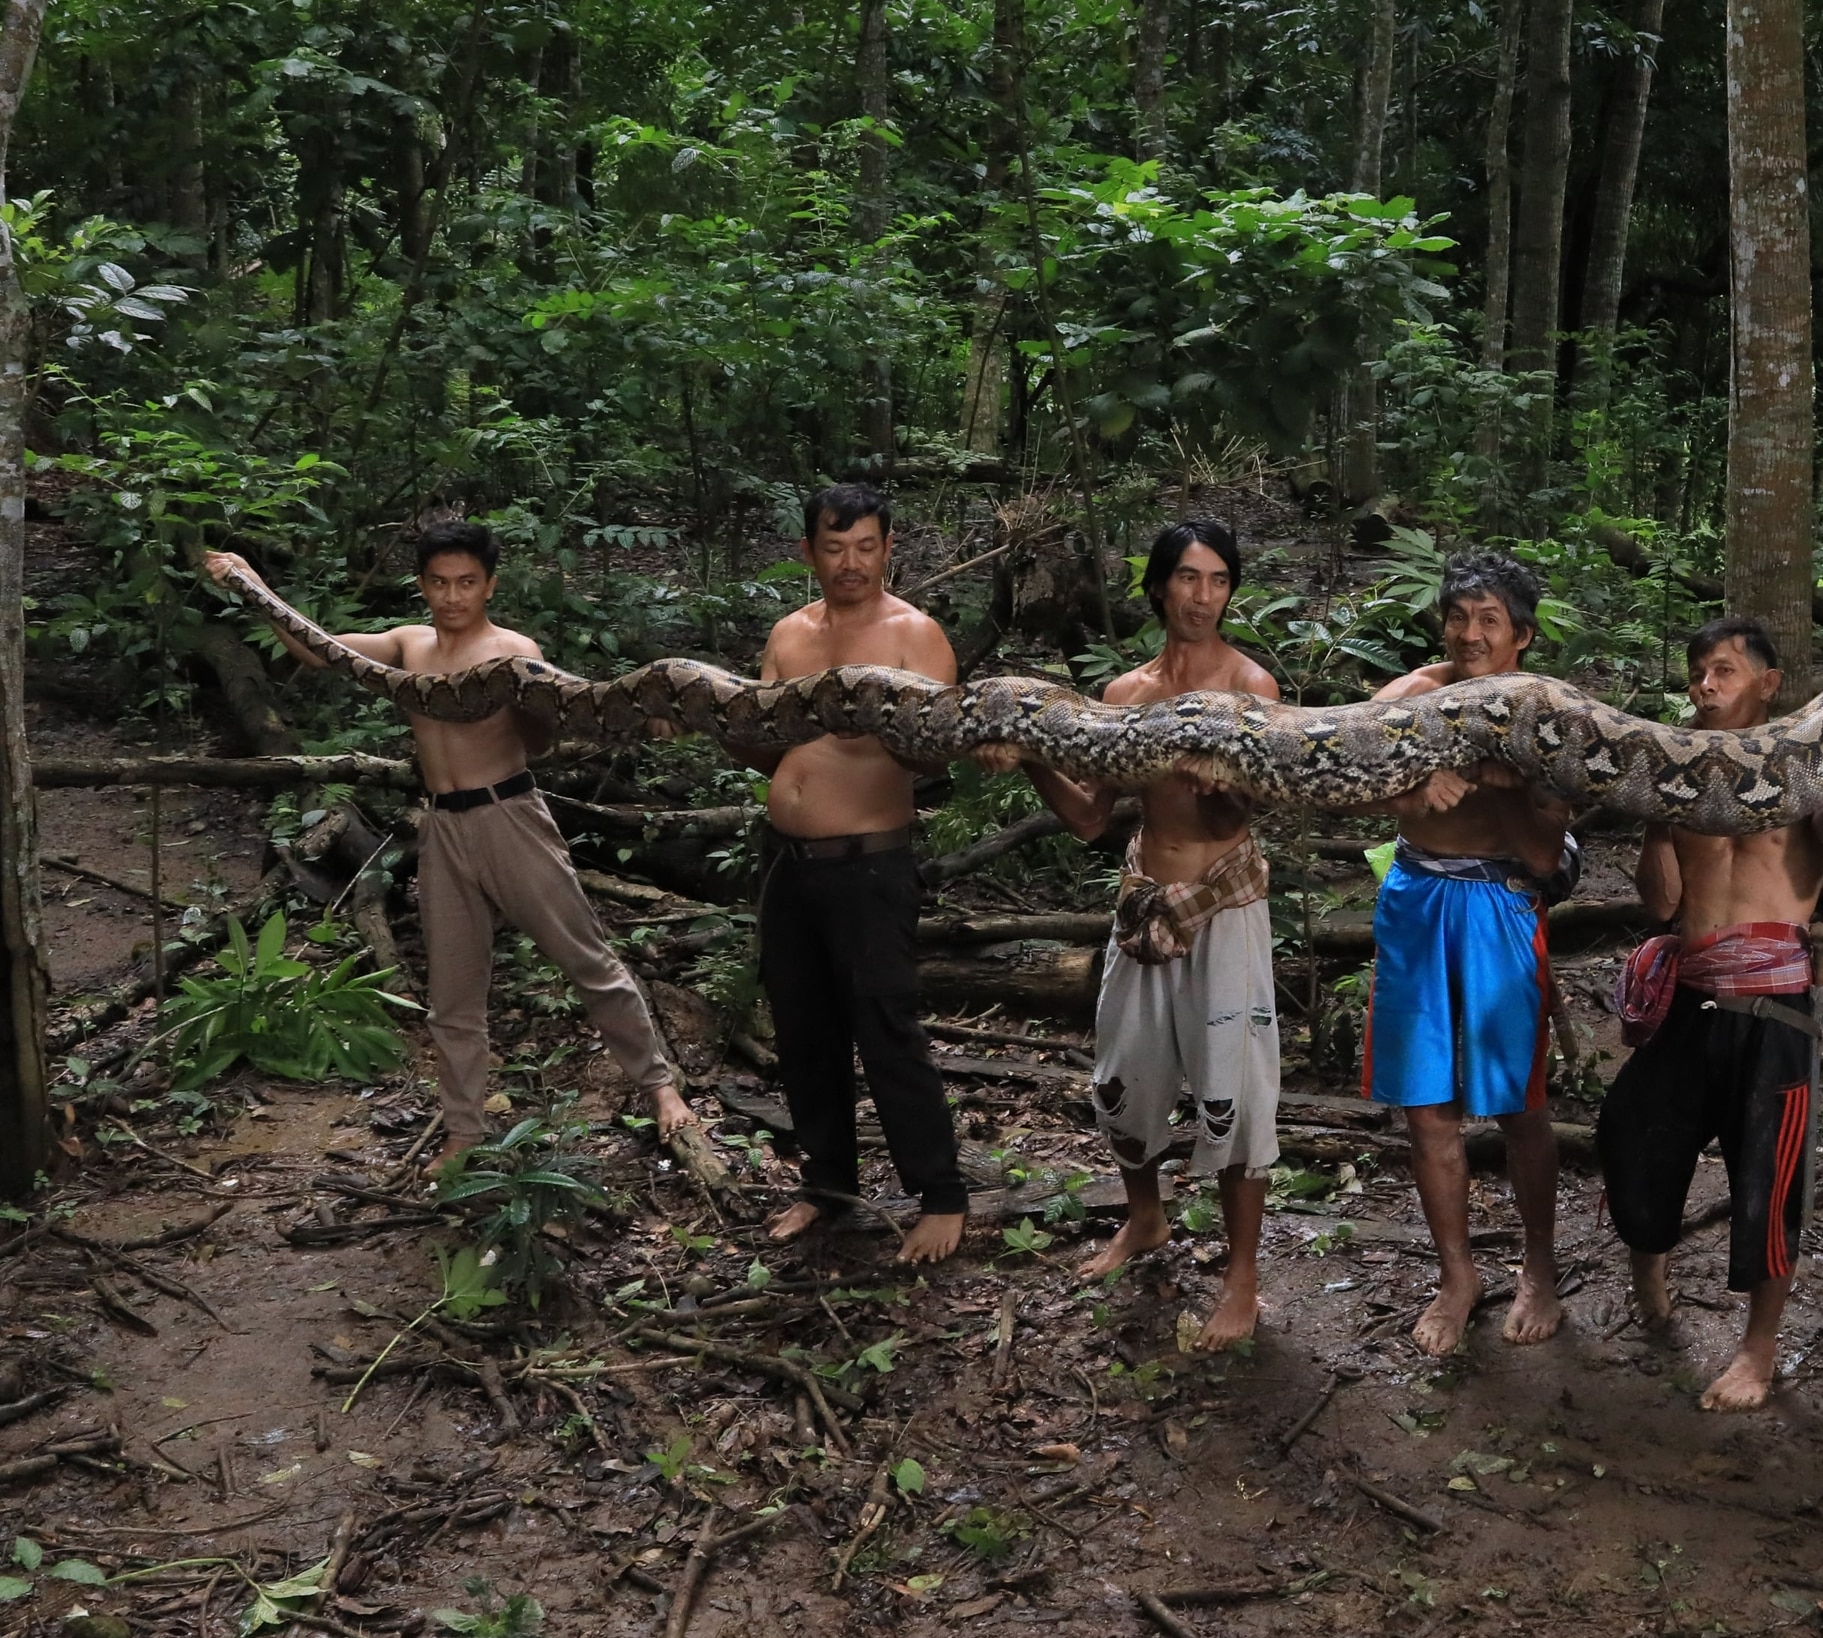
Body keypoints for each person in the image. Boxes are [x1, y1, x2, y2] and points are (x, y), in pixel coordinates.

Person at [206, 526, 701, 1162]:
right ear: (422, 585)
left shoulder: (514, 650)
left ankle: (660, 1088)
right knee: (452, 994)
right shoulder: (407, 645)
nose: (452, 596)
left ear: (490, 585)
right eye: (439, 582)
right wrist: (256, 587)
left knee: (587, 960)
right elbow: (319, 649)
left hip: (509, 818)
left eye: (467, 582)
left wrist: (633, 713)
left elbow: (543, 740)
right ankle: (464, 1130)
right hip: (440, 826)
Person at [1598, 619, 1823, 1411]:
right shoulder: (1679, 767)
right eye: (1698, 672)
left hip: (1774, 1013)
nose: (1705, 685)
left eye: (1724, 670)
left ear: (1768, 683)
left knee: (1770, 1180)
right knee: (1631, 1135)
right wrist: (1658, 808)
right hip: (1689, 1000)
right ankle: (1650, 1275)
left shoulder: (1806, 769)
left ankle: (1757, 1354)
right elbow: (1661, 902)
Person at [1018, 519, 1282, 1349]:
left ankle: (1242, 1278)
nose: (1203, 597)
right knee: (1122, 1075)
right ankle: (1145, 1217)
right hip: (1143, 900)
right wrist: (1028, 753)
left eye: (1218, 580)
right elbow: (1090, 818)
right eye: (1188, 578)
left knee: (1234, 1091)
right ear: (1160, 587)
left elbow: (1243, 816)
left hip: (1224, 906)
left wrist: (1221, 787)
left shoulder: (1252, 685)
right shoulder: (1125, 695)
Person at [740, 484, 1010, 1265]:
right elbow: (762, 749)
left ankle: (941, 1194)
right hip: (786, 862)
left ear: (888, 548)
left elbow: (935, 759)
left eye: (865, 547)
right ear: (808, 551)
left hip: (869, 863)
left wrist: (894, 720)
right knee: (802, 1029)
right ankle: (827, 1184)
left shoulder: (913, 635)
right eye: (834, 547)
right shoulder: (788, 635)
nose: (850, 563)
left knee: (886, 1028)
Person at [1367, 551, 1578, 1354]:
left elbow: (1544, 853)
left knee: (1519, 1104)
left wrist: (1498, 778)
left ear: (1522, 635)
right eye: (1458, 617)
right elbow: (1339, 781)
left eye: (1490, 620)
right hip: (1416, 897)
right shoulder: (1407, 699)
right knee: (1427, 1108)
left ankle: (1539, 1267)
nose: (1470, 633)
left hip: (1501, 904)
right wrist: (1410, 788)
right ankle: (1457, 1276)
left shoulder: (1547, 714)